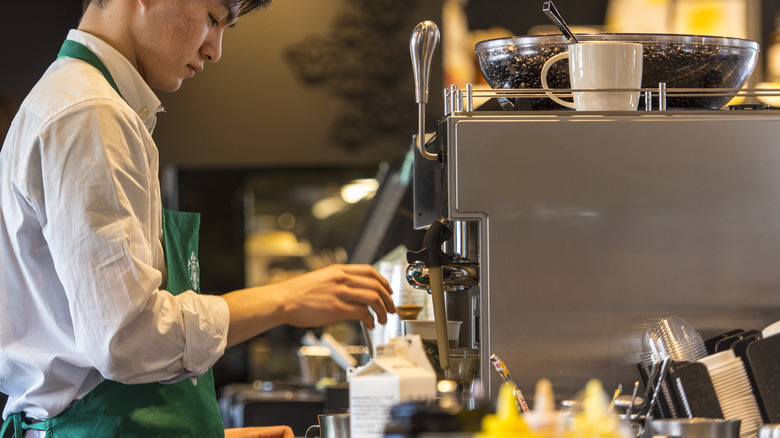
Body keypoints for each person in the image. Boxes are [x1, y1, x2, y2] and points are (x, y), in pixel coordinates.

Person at [0, 0, 396, 437]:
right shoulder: (90, 113)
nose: (216, 50)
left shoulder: (85, 101)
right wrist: (285, 300)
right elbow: (125, 339)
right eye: (211, 18)